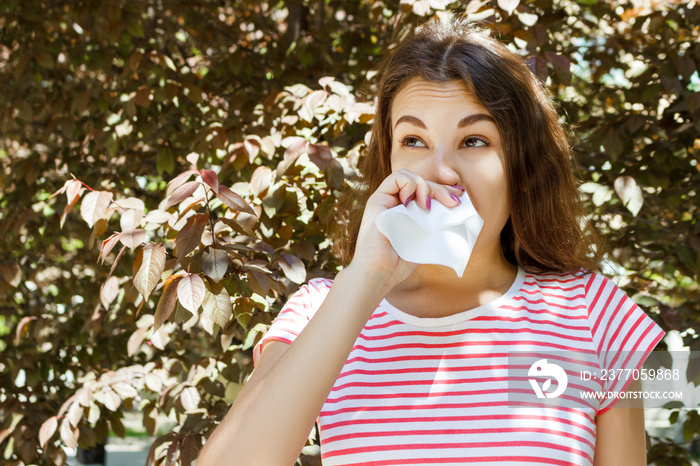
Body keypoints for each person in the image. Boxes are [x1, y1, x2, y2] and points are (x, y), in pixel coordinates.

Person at [198, 15, 665, 466]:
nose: (441, 172)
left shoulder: (592, 315)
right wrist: (367, 277)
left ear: (521, 168)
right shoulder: (319, 310)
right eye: (414, 141)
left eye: (475, 140)